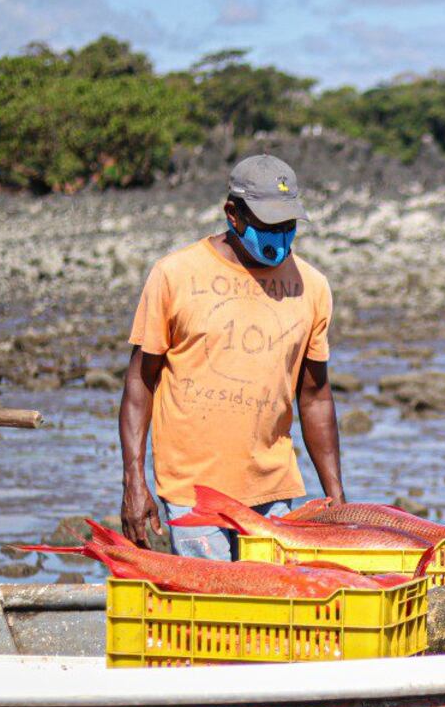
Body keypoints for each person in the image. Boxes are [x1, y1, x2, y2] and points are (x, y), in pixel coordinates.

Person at [119, 154, 344, 559]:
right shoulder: (175, 274)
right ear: (232, 214)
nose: (278, 236)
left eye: (287, 226)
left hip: (274, 490)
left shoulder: (311, 287)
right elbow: (141, 382)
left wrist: (336, 497)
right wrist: (134, 481)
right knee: (214, 613)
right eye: (266, 225)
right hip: (194, 496)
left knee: (269, 612)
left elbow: (316, 396)